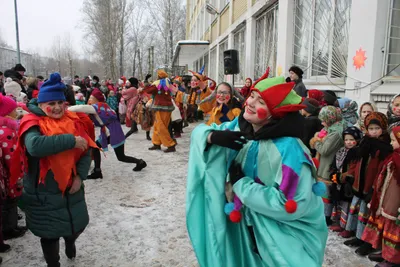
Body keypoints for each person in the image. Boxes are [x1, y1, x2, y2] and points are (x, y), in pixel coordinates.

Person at [186, 72, 328, 266]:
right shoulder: (243, 127)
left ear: (275, 113)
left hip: (284, 243)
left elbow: (289, 205)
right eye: (252, 95)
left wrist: (241, 185)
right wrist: (212, 137)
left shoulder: (290, 151)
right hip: (250, 232)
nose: (250, 103)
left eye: (261, 101)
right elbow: (199, 134)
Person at [10, 73, 97, 267]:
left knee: (75, 227)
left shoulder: (74, 120)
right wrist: (71, 140)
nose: (57, 107)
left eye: (60, 102)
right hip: (44, 192)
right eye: (51, 103)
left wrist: (80, 177)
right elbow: (35, 147)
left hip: (71, 188)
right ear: (40, 105)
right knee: (49, 236)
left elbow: (85, 151)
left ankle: (70, 241)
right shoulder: (32, 123)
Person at [69, 88, 147, 179]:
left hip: (112, 133)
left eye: (91, 97)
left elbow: (79, 108)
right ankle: (97, 171)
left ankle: (140, 162)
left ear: (97, 99)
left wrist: (65, 108)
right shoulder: (105, 106)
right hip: (113, 132)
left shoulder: (95, 107)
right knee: (95, 147)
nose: (89, 99)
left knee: (120, 157)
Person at [344, 112, 392, 257]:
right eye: (371, 128)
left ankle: (368, 242)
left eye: (377, 128)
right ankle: (359, 237)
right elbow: (358, 160)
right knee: (359, 212)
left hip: (372, 186)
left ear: (382, 129)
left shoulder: (384, 146)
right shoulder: (365, 142)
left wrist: (373, 189)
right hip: (360, 183)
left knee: (368, 216)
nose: (374, 131)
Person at [361, 126, 400, 267]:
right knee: (385, 227)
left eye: (394, 140)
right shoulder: (393, 156)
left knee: (394, 230)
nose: (391, 143)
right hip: (387, 198)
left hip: (395, 202)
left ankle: (393, 260)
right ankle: (385, 254)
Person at [310, 106, 347, 225]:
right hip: (323, 165)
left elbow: (325, 150)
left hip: (328, 166)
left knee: (326, 193)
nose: (321, 122)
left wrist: (316, 141)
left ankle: (326, 217)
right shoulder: (328, 130)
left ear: (330, 119)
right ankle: (321, 214)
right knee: (322, 192)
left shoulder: (335, 133)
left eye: (324, 119)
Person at [329, 127, 363, 235]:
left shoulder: (357, 152)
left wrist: (345, 177)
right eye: (346, 139)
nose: (348, 142)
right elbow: (334, 164)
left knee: (347, 206)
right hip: (338, 182)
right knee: (339, 203)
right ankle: (339, 223)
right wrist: (333, 173)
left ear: (357, 140)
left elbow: (353, 170)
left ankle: (347, 227)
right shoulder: (340, 151)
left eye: (351, 139)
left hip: (348, 184)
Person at [142, 71, 177, 153]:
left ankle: (171, 145)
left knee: (161, 127)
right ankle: (156, 143)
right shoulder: (168, 83)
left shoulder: (158, 84)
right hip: (167, 108)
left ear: (159, 76)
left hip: (160, 108)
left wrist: (146, 80)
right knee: (158, 126)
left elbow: (148, 90)